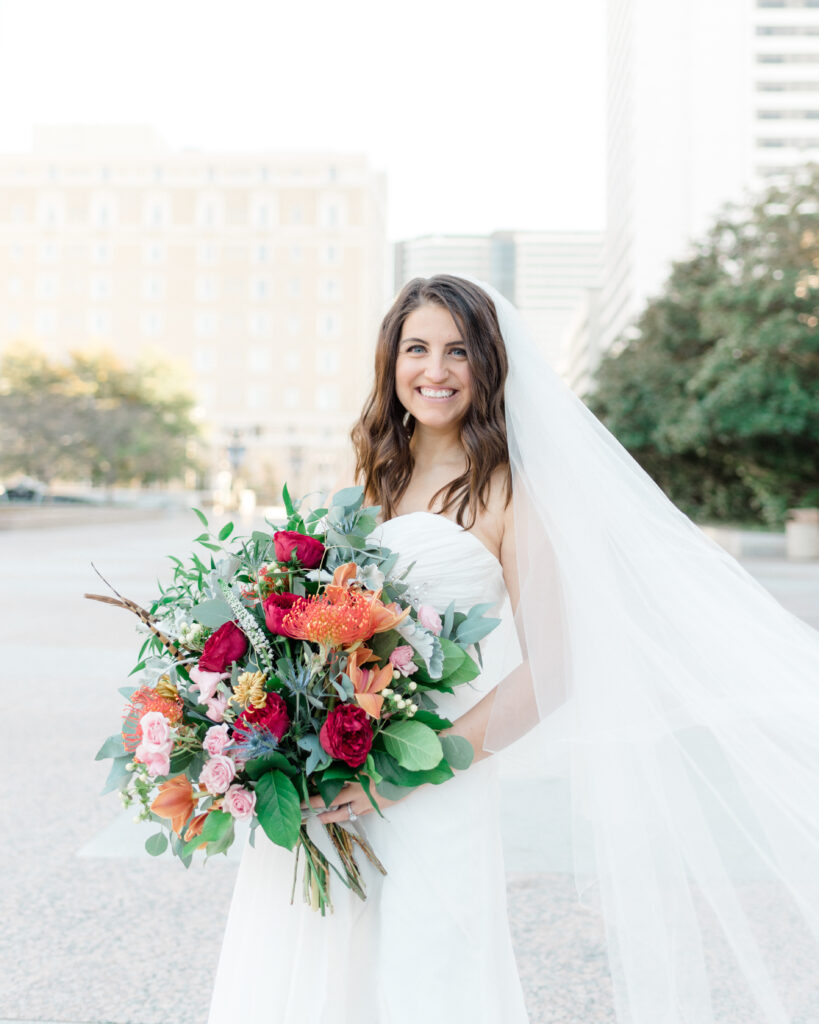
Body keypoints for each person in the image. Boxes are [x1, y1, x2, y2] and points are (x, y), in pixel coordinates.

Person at [209, 275, 819, 1024]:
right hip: (322, 774)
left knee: (426, 976)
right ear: (390, 361)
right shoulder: (364, 475)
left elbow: (555, 671)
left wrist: (401, 776)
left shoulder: (509, 492)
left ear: (489, 365)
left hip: (430, 778)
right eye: (417, 348)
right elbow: (311, 622)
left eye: (459, 351)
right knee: (312, 974)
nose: (435, 370)